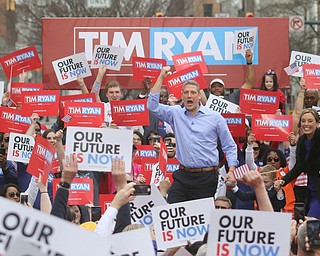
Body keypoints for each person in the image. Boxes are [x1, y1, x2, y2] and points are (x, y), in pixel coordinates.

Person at [147, 66, 238, 203]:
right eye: (186, 93)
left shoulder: (215, 117)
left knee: (200, 220)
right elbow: (152, 106)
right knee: (174, 214)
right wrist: (161, 77)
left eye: (193, 93)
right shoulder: (175, 113)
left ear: (199, 96)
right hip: (182, 175)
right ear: (182, 95)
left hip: (206, 177)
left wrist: (231, 171)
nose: (189, 96)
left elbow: (229, 146)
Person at [275, 108, 320, 219]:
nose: (306, 124)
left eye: (310, 121)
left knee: (309, 223)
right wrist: (283, 180)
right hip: (310, 191)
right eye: (303, 121)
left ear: (317, 123)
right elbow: (299, 167)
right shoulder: (302, 141)